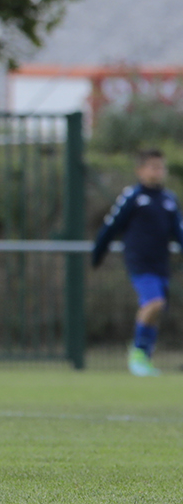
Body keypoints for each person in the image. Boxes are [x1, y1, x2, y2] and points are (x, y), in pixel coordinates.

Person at [93, 149, 182, 376]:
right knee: (154, 302)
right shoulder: (132, 196)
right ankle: (137, 352)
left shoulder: (169, 200)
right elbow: (111, 225)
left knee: (156, 308)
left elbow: (179, 232)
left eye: (160, 167)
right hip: (139, 261)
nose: (157, 172)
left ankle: (144, 356)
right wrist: (98, 252)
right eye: (152, 167)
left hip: (160, 263)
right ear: (140, 170)